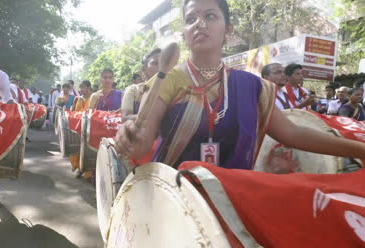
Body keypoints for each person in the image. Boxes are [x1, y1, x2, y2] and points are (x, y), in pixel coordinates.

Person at [115, 0, 365, 170]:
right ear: (184, 34)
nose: (199, 24)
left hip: (234, 204)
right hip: (176, 208)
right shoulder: (166, 80)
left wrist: (359, 149)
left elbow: (292, 134)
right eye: (191, 19)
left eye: (210, 16)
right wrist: (129, 137)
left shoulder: (252, 86)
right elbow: (141, 143)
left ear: (228, 30)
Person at [122, 48, 161, 122]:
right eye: (156, 63)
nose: (161, 67)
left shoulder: (171, 89)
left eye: (164, 63)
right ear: (143, 68)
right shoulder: (133, 90)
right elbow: (125, 118)